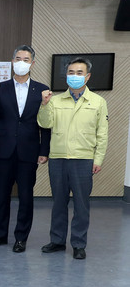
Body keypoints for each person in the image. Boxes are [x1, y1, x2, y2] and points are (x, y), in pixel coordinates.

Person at [37, 57, 108, 260]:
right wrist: (44, 105)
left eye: (79, 73)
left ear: (87, 76)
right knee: (58, 203)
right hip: (58, 158)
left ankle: (78, 244)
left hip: (83, 159)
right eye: (71, 72)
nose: (74, 76)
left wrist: (98, 159)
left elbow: (102, 134)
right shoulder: (56, 100)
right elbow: (44, 123)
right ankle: (57, 241)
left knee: (81, 204)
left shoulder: (98, 102)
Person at [0, 45, 50, 253]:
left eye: (26, 59)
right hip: (4, 149)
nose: (21, 62)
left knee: (26, 196)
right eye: (18, 59)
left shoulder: (42, 89)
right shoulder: (1, 87)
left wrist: (44, 150)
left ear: (32, 63)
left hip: (29, 150)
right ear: (12, 62)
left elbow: (45, 123)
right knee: (1, 195)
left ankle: (21, 238)